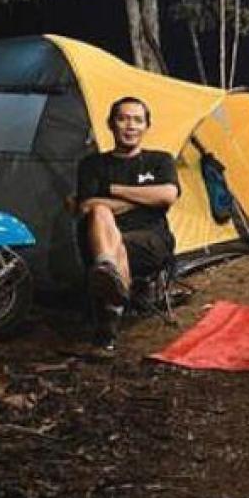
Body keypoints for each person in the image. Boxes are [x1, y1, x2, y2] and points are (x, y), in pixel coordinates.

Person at [75, 96, 180, 349]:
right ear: (111, 124)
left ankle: (108, 314)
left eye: (137, 120)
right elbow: (86, 206)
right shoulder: (92, 164)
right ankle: (110, 278)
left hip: (151, 239)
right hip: (100, 236)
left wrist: (113, 189)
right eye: (123, 119)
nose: (130, 126)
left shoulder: (160, 160)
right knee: (100, 213)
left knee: (113, 243)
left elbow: (168, 195)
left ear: (146, 126)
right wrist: (146, 200)